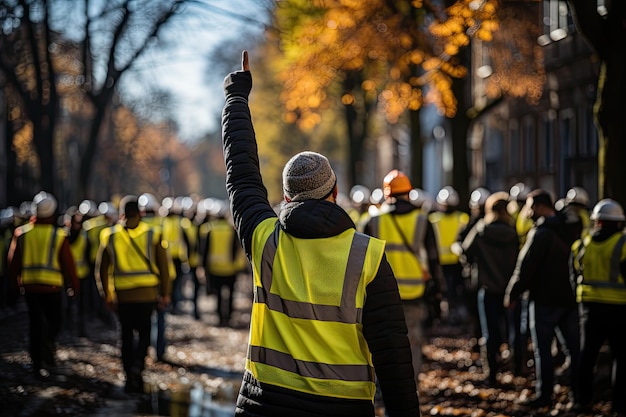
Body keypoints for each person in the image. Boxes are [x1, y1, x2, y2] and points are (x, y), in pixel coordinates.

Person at [222, 50, 420, 416]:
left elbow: (242, 175)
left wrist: (236, 96)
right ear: (335, 192)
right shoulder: (367, 256)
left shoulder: (264, 240)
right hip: (342, 407)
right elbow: (393, 356)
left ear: (285, 197)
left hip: (266, 404)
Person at [363, 169, 444, 384]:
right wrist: (439, 289)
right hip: (413, 292)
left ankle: (383, 387)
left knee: (382, 341)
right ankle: (410, 385)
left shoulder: (373, 220)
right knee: (412, 341)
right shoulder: (422, 220)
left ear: (386, 193)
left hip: (381, 293)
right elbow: (434, 259)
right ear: (409, 192)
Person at [504, 189, 580, 409]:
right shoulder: (571, 227)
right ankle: (579, 396)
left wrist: (512, 293)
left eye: (530, 206)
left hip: (544, 299)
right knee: (573, 350)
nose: (527, 211)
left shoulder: (541, 232)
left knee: (543, 350)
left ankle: (544, 395)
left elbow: (525, 266)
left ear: (538, 206)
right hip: (569, 298)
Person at [96, 195, 171, 394]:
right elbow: (164, 267)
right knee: (145, 333)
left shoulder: (109, 236)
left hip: (122, 296)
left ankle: (129, 374)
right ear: (140, 213)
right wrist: (165, 293)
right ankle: (139, 366)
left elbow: (101, 270)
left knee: (126, 336)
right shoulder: (153, 234)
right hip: (147, 296)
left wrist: (107, 295)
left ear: (121, 214)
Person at [7, 191, 79, 378]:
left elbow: (12, 263)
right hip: (52, 287)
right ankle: (47, 348)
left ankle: (37, 362)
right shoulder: (58, 235)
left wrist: (14, 286)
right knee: (55, 322)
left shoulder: (22, 233)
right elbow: (68, 264)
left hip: (30, 287)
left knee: (35, 324)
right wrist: (73, 285)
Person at [571, 199, 626, 416]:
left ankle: (582, 401)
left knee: (587, 357)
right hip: (619, 309)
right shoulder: (623, 245)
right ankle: (619, 406)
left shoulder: (582, 244)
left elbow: (574, 275)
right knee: (621, 358)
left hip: (589, 308)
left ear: (597, 221)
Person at [459, 192, 519, 385]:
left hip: (487, 287)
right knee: (512, 330)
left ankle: (491, 373)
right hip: (509, 289)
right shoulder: (513, 232)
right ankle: (516, 369)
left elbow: (466, 252)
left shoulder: (482, 229)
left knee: (489, 333)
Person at [199, 200, 247, 327]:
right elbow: (238, 250)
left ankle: (220, 317)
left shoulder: (209, 229)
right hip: (230, 268)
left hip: (214, 269)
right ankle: (229, 317)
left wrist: (203, 267)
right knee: (230, 294)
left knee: (218, 295)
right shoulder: (232, 230)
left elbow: (205, 251)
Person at [429, 186, 469, 325]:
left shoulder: (433, 219)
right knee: (453, 291)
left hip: (444, 262)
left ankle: (446, 314)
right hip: (454, 261)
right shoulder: (463, 218)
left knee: (446, 291)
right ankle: (453, 313)